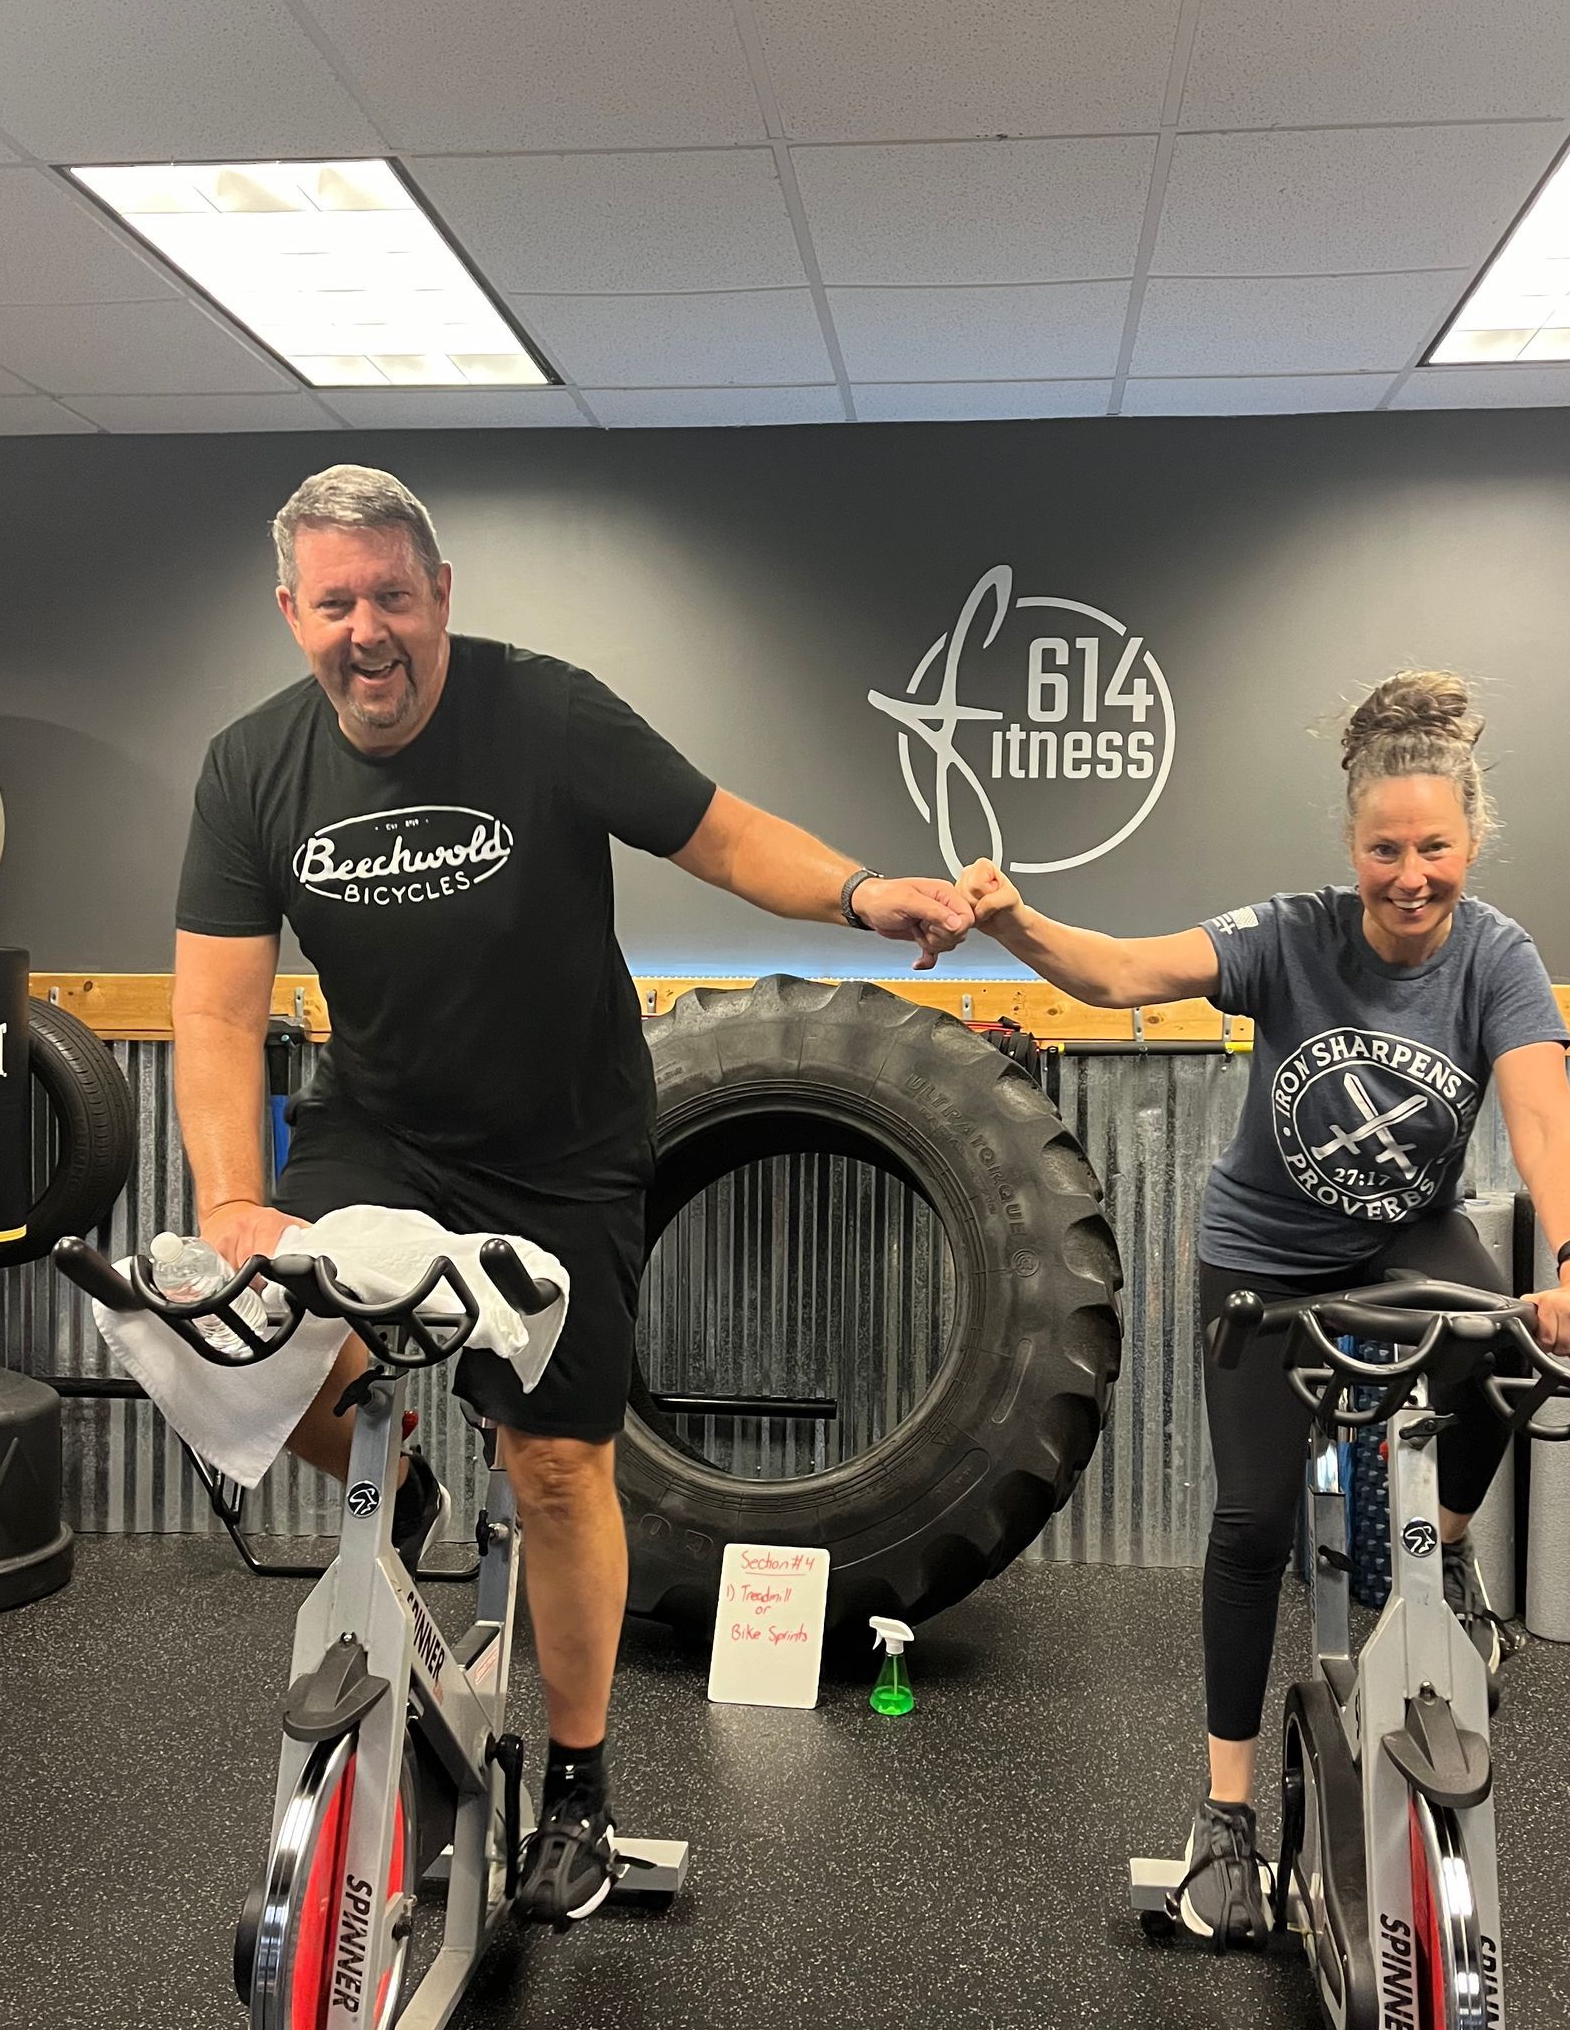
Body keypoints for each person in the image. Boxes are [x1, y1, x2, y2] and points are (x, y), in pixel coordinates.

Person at [172, 462, 972, 1922]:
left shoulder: (543, 710)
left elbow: (722, 832)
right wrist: (234, 1197)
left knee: (554, 1465)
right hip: (379, 1130)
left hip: (564, 1144)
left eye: (394, 597)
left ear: (441, 598)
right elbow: (219, 1015)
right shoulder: (251, 768)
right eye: (335, 602)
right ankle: (397, 1484)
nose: (368, 630)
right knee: (249, 1330)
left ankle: (587, 1789)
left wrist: (864, 894)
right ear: (291, 612)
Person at [954, 671, 1570, 1946]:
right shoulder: (1293, 934)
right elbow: (1128, 971)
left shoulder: (1497, 956)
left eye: (1434, 848)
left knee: (1506, 1349)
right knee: (1254, 1519)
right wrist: (1018, 926)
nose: (1409, 874)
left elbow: (1544, 1109)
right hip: (1261, 1248)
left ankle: (1456, 1551)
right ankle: (1224, 1816)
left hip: (1403, 1235)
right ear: (1352, 847)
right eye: (1386, 849)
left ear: (1468, 844)